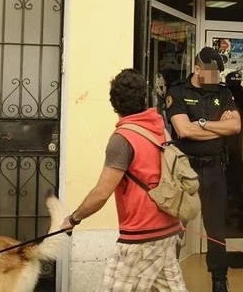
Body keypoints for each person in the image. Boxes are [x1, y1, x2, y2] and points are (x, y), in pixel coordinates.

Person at [61, 69, 188, 292]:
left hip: (141, 236)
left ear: (114, 104)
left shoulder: (122, 139)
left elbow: (102, 192)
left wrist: (73, 219)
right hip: (169, 228)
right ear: (144, 98)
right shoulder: (159, 127)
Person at [165, 47, 241, 292]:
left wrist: (203, 124)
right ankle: (168, 276)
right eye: (212, 74)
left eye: (218, 74)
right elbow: (183, 130)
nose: (216, 78)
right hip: (185, 170)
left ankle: (219, 280)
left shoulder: (223, 92)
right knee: (176, 227)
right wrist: (219, 126)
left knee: (216, 228)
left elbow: (236, 127)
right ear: (198, 69)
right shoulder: (177, 91)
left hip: (214, 170)